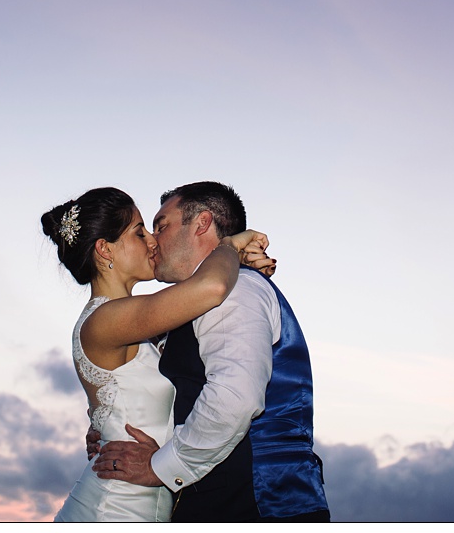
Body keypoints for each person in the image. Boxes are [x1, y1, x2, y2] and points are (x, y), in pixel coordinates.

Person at [91, 181, 330, 522]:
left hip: (260, 502)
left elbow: (235, 397)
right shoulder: (188, 308)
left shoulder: (237, 289)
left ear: (201, 223)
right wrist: (111, 425)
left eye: (161, 226)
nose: (153, 240)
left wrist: (160, 467)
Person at [41, 187, 274, 523]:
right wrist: (228, 247)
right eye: (139, 232)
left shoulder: (136, 326)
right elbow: (211, 287)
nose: (152, 241)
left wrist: (105, 425)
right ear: (105, 249)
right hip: (113, 508)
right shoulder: (107, 319)